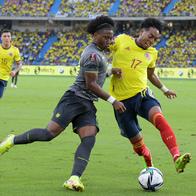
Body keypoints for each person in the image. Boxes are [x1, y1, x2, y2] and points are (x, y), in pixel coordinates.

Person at [0, 16, 126, 192]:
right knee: (48, 134)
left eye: (111, 37)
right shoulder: (92, 54)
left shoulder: (99, 54)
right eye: (106, 37)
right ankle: (12, 140)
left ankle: (74, 178)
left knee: (89, 139)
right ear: (95, 35)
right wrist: (113, 100)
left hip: (87, 103)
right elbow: (91, 84)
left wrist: (112, 70)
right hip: (74, 99)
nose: (110, 40)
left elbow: (99, 72)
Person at [108, 18, 191, 173]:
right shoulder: (122, 40)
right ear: (142, 31)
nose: (152, 41)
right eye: (150, 36)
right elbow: (103, 48)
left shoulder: (152, 53)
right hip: (121, 103)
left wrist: (164, 89)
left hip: (142, 95)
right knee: (138, 146)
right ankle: (149, 165)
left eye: (156, 39)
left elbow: (151, 74)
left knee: (159, 118)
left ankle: (176, 157)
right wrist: (108, 69)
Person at [0, 29, 22, 97]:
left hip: (4, 77)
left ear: (11, 38)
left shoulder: (15, 50)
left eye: (8, 36)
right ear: (1, 38)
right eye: (4, 36)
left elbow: (19, 64)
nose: (7, 38)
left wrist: (15, 71)